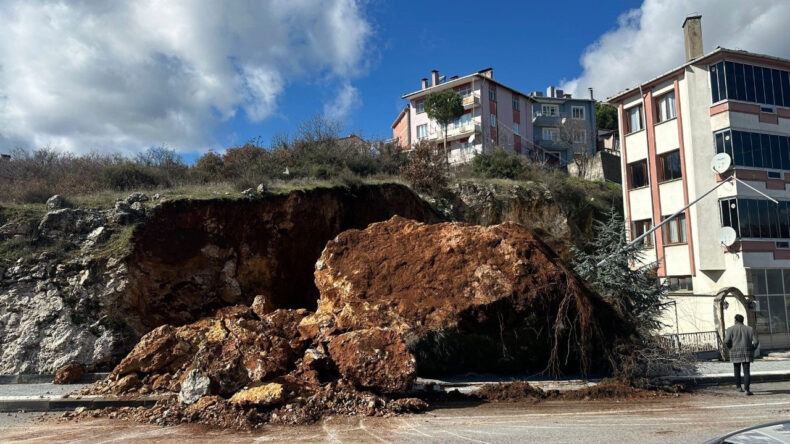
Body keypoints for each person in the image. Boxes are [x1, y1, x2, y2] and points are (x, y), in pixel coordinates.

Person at [724, 314, 759, 395]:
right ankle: (747, 390)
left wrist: (730, 348)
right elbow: (756, 342)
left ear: (735, 320)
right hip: (747, 352)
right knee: (746, 371)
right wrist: (752, 348)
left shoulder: (730, 329)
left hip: (735, 352)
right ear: (743, 320)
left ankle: (738, 387)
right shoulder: (750, 329)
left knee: (737, 370)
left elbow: (726, 341)